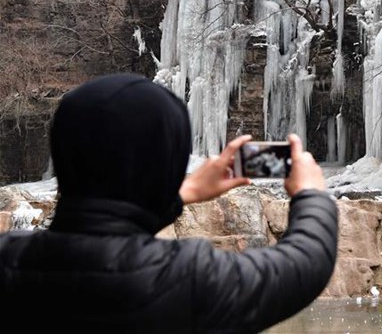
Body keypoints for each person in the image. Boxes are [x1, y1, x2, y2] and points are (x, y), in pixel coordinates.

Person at [0, 74, 338, 333]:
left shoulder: (9, 258)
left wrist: (176, 194)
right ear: (168, 161)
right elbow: (305, 263)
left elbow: (102, 226)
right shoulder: (187, 279)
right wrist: (310, 194)